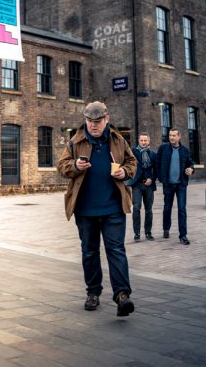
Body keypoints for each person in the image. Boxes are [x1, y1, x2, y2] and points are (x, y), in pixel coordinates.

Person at [57, 101, 137, 317]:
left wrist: (125, 172)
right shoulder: (76, 141)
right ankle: (93, 292)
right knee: (89, 252)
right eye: (90, 121)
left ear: (106, 119)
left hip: (113, 208)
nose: (93, 125)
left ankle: (122, 295)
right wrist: (75, 166)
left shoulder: (118, 140)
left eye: (97, 121)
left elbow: (132, 162)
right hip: (85, 210)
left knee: (116, 250)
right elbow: (62, 167)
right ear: (85, 121)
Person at [156, 128, 195, 245]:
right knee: (167, 207)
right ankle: (166, 229)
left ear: (179, 136)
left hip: (181, 184)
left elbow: (190, 163)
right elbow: (157, 163)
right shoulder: (163, 149)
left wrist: (191, 169)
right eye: (170, 135)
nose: (171, 137)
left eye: (174, 135)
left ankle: (183, 235)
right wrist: (161, 178)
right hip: (168, 184)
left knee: (182, 209)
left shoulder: (184, 150)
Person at [127, 133, 157, 242]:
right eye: (141, 140)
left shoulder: (153, 154)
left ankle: (148, 233)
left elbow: (156, 170)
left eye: (145, 140)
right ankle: (137, 233)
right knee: (136, 208)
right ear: (139, 141)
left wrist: (152, 179)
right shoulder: (134, 152)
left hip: (149, 185)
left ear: (149, 141)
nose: (143, 142)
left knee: (149, 210)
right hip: (137, 184)